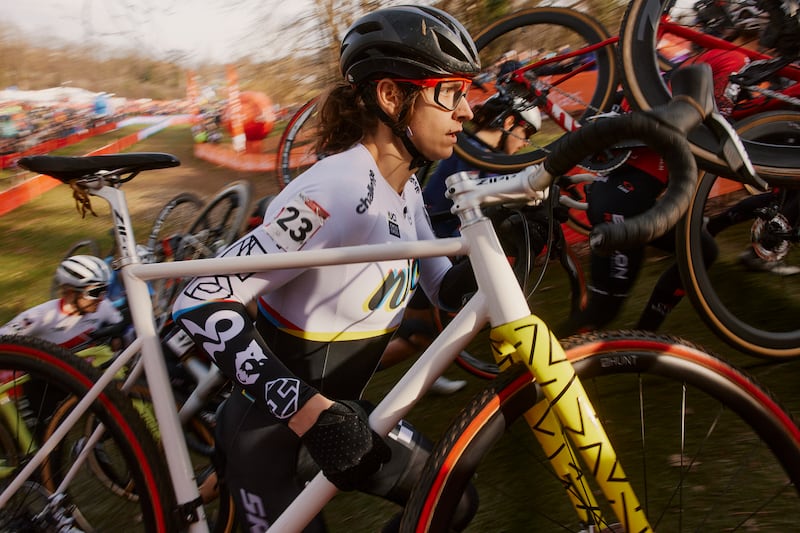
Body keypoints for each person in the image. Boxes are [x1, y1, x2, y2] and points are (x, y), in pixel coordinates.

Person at [172, 6, 481, 531]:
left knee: (453, 502)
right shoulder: (333, 190)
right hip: (268, 436)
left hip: (338, 421)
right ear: (390, 95)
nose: (467, 111)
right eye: (450, 92)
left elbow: (445, 291)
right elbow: (198, 298)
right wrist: (311, 414)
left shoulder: (406, 187)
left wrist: (511, 249)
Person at [555, 0, 786, 337]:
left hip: (635, 196)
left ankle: (646, 334)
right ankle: (530, 373)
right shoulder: (734, 60)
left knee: (703, 250)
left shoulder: (704, 58)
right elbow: (711, 130)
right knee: (602, 312)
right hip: (623, 203)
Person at [377, 87, 543, 394]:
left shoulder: (478, 150)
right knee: (419, 334)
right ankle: (343, 379)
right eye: (525, 131)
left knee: (426, 330)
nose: (526, 142)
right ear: (508, 123)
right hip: (431, 243)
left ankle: (424, 375)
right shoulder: (469, 149)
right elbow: (480, 187)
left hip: (435, 243)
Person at [0, 254, 125, 352]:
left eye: (105, 290)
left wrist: (117, 338)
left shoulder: (104, 306)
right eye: (95, 292)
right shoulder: (39, 316)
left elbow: (121, 330)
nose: (102, 298)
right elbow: (3, 337)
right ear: (70, 292)